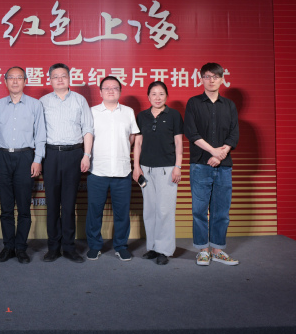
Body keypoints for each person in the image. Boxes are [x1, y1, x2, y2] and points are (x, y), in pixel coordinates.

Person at [184, 62, 240, 266]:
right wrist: (212, 151)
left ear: (222, 79)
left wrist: (220, 155)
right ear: (201, 79)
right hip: (200, 165)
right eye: (207, 76)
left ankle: (217, 250)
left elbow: (234, 133)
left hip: (223, 166)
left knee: (221, 211)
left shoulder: (229, 105)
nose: (211, 80)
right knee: (199, 210)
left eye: (215, 76)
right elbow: (191, 133)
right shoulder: (193, 103)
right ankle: (203, 251)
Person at [0, 67, 46, 264]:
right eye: (11, 78)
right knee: (6, 207)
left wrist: (37, 159)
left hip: (25, 157)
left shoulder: (35, 105)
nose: (15, 81)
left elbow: (40, 135)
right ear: (5, 81)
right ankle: (8, 247)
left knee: (23, 207)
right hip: (3, 157)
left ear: (25, 81)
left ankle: (21, 248)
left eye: (19, 78)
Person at [39, 63, 93, 263]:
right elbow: (38, 133)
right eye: (55, 76)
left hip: (74, 155)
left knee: (69, 204)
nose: (59, 79)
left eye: (63, 75)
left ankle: (69, 248)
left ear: (69, 78)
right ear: (50, 80)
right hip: (51, 155)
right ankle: (53, 247)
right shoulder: (43, 102)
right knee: (52, 204)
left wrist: (86, 155)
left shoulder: (80, 100)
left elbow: (88, 129)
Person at [86, 76, 139, 262]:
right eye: (106, 88)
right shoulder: (91, 112)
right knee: (94, 211)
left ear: (120, 91)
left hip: (122, 171)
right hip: (97, 170)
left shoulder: (128, 112)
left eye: (115, 88)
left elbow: (132, 137)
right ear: (100, 92)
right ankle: (94, 246)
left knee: (122, 212)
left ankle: (121, 246)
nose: (110, 91)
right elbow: (87, 137)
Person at [132, 81, 183, 266]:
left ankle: (164, 250)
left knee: (165, 210)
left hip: (167, 169)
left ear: (166, 96)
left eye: (161, 94)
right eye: (154, 94)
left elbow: (178, 143)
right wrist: (136, 166)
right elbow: (138, 143)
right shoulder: (142, 116)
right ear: (148, 97)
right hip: (145, 169)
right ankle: (153, 247)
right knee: (150, 210)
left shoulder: (174, 115)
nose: (158, 97)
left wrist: (178, 166)